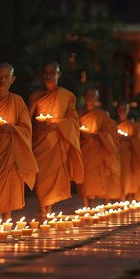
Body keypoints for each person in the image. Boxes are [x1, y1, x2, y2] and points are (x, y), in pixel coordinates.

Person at [28, 61, 83, 216]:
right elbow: (26, 119)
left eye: (52, 72)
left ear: (59, 75)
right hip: (40, 140)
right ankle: (42, 207)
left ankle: (47, 209)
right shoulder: (36, 96)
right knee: (40, 177)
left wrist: (57, 125)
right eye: (45, 72)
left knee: (52, 176)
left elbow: (73, 120)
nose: (48, 76)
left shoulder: (66, 96)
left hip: (56, 141)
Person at [0, 62, 38, 221]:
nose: (2, 80)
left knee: (10, 185)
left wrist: (11, 129)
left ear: (13, 79)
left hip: (12, 151)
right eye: (0, 76)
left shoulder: (17, 102)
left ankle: (7, 219)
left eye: (6, 77)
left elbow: (26, 127)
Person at [77, 87, 120, 207]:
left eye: (93, 96)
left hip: (98, 148)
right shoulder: (79, 114)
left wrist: (98, 135)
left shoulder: (102, 114)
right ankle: (86, 204)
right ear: (84, 97)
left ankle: (103, 203)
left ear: (97, 98)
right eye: (88, 95)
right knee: (85, 178)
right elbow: (73, 130)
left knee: (99, 176)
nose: (90, 98)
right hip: (84, 149)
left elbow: (110, 131)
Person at [116, 102, 140, 201]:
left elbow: (139, 141)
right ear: (117, 110)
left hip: (128, 156)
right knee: (116, 177)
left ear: (128, 111)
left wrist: (130, 139)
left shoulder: (133, 126)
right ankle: (118, 199)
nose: (122, 111)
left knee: (127, 177)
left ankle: (126, 198)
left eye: (125, 109)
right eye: (121, 108)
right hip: (116, 154)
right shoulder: (113, 125)